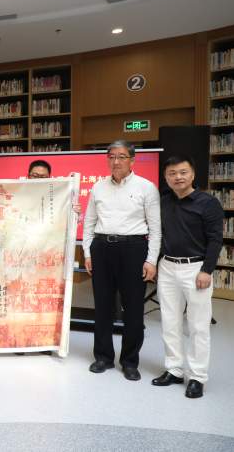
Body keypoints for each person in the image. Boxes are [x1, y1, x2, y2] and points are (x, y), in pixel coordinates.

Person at [83, 140, 161, 381]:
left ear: (132, 160)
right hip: (102, 248)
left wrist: (151, 260)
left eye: (121, 157)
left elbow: (155, 229)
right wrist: (87, 253)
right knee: (102, 306)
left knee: (134, 309)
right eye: (111, 157)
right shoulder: (98, 187)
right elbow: (89, 223)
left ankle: (129, 361)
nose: (115, 161)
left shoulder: (146, 187)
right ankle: (103, 357)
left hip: (134, 249)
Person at [152, 154, 223, 398]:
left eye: (183, 172)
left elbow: (215, 239)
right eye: (172, 173)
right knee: (169, 321)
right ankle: (174, 369)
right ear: (166, 177)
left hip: (196, 269)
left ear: (192, 174)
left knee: (198, 325)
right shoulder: (163, 201)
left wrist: (207, 270)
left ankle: (197, 376)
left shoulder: (208, 203)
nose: (178, 177)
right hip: (167, 267)